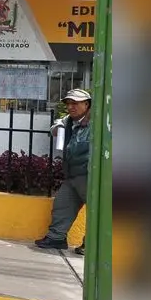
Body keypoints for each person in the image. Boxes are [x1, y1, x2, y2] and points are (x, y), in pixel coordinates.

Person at [35, 88, 93, 255]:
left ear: (87, 104)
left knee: (96, 212)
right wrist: (58, 126)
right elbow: (53, 132)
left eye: (75, 103)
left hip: (89, 175)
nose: (70, 107)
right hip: (72, 174)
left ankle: (90, 245)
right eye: (68, 103)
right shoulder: (69, 120)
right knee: (62, 205)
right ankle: (56, 238)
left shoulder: (96, 122)